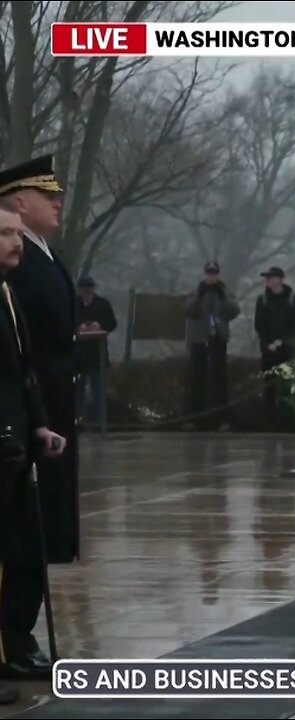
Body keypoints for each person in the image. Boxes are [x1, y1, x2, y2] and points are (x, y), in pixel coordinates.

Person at [0, 156, 77, 677]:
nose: (57, 203)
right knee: (21, 536)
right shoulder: (17, 264)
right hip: (20, 420)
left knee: (35, 531)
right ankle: (12, 640)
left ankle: (17, 637)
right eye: (46, 195)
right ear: (19, 202)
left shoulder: (38, 254)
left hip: (37, 415)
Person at [184, 262, 240, 429]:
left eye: (214, 274)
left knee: (220, 379)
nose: (211, 277)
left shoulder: (225, 292)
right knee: (197, 379)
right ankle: (193, 418)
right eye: (208, 273)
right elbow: (187, 310)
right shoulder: (196, 292)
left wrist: (222, 297)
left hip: (218, 338)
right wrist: (200, 296)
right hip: (199, 339)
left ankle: (223, 419)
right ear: (204, 274)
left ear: (218, 275)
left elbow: (234, 311)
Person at [254, 266, 295, 428]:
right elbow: (259, 324)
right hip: (268, 350)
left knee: (287, 386)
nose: (268, 280)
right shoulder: (262, 300)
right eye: (267, 278)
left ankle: (288, 421)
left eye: (271, 277)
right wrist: (268, 342)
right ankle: (269, 421)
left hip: (287, 349)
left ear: (280, 279)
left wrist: (282, 341)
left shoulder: (292, 299)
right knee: (269, 386)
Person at [74, 276, 117, 432]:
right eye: (83, 291)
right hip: (78, 354)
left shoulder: (103, 304)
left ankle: (98, 423)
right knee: (77, 390)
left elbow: (112, 322)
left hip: (96, 354)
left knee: (98, 390)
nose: (86, 293)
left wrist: (99, 325)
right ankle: (76, 421)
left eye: (88, 290)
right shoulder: (73, 304)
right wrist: (79, 327)